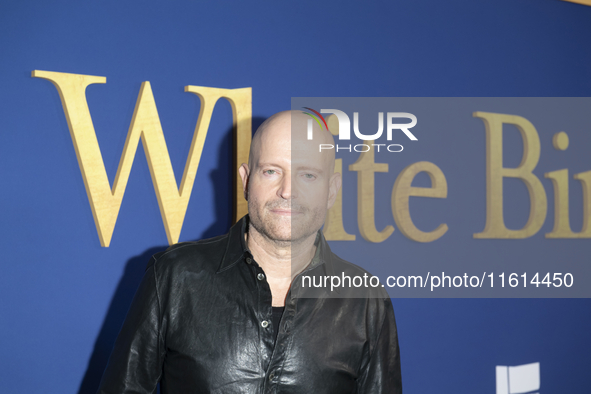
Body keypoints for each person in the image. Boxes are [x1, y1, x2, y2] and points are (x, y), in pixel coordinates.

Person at [97, 110, 402, 393]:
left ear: (332, 190)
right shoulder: (174, 276)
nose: (288, 190)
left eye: (308, 175)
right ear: (246, 180)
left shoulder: (366, 300)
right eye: (271, 171)